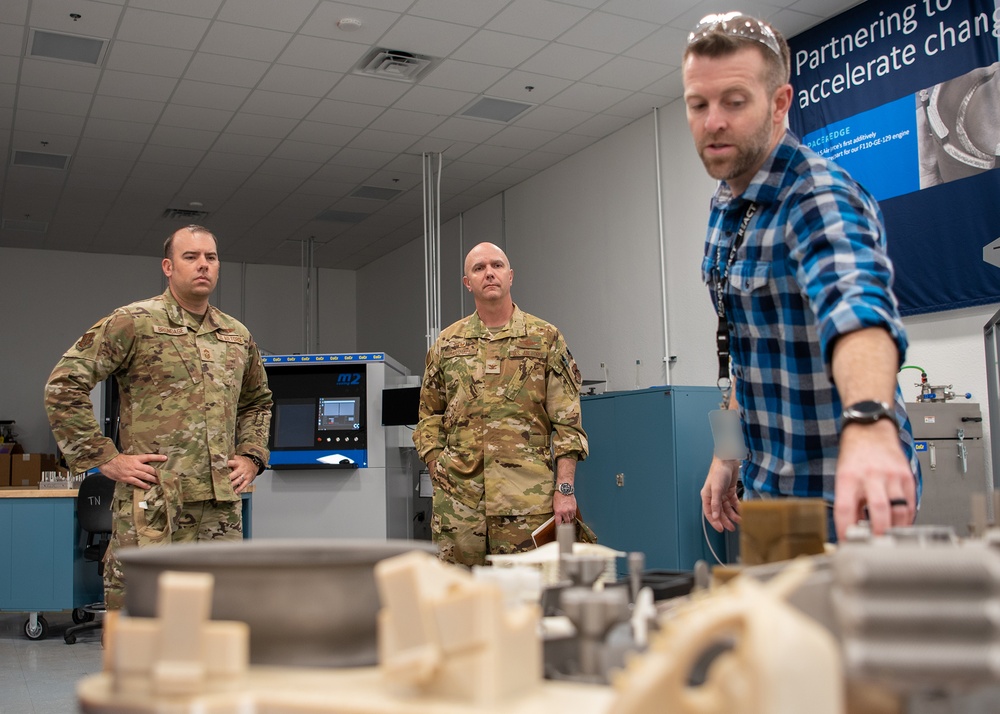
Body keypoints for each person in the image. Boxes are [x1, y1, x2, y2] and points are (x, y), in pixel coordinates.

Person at [682, 13, 920, 542]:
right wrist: (727, 452)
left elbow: (857, 309)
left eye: (735, 101)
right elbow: (749, 346)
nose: (713, 121)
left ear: (780, 103)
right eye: (699, 104)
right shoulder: (727, 204)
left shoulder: (817, 197)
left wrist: (870, 422)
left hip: (851, 499)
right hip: (768, 497)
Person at [44, 225, 272, 609]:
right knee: (140, 615)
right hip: (155, 503)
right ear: (168, 266)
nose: (203, 265)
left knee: (219, 615)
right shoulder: (135, 321)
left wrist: (252, 455)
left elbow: (258, 401)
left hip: (219, 507)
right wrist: (105, 457)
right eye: (191, 257)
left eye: (211, 257)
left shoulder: (236, 335)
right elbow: (64, 385)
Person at [413, 242, 588, 567]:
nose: (488, 273)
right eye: (479, 268)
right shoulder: (448, 344)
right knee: (460, 601)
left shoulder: (544, 338)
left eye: (496, 265)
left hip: (527, 504)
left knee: (529, 602)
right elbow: (429, 416)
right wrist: (437, 470)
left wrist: (565, 488)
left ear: (510, 275)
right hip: (459, 508)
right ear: (468, 282)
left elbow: (568, 423)